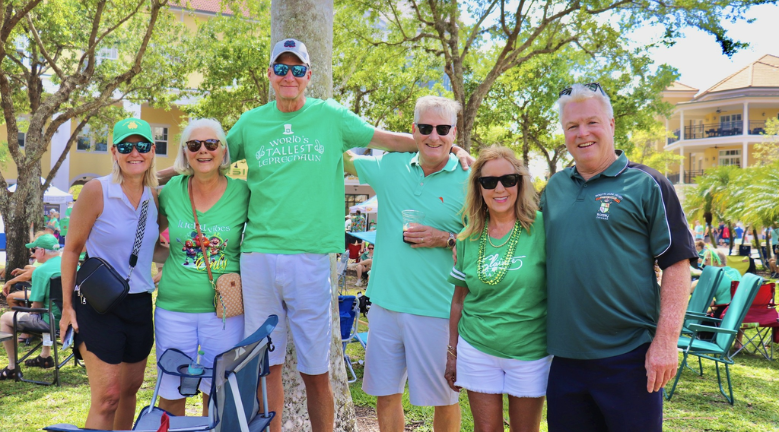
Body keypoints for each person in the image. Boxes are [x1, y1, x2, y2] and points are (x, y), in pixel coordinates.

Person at [154, 38, 472, 432]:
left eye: (297, 69)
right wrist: (147, 177)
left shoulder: (331, 117)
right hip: (258, 257)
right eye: (281, 68)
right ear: (270, 74)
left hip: (312, 257)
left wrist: (445, 146)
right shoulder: (251, 122)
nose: (289, 76)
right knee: (263, 367)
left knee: (316, 371)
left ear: (309, 75)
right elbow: (207, 156)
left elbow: (384, 138)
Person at [540, 83, 697, 432]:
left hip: (629, 358)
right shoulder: (554, 189)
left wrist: (666, 342)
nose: (582, 133)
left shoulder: (647, 184)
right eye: (572, 126)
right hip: (565, 360)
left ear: (611, 124)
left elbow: (677, 264)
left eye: (591, 122)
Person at [343, 95, 468, 432]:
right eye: (425, 128)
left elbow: (488, 240)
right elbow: (341, 152)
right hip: (384, 305)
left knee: (445, 399)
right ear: (413, 130)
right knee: (386, 395)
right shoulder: (390, 165)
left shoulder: (470, 179)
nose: (434, 136)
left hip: (437, 308)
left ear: (455, 132)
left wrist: (447, 238)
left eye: (443, 129)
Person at [59, 117, 159, 430]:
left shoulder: (155, 196)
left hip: (139, 304)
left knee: (129, 391)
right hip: (99, 305)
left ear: (152, 150)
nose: (135, 153)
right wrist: (66, 307)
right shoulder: (96, 190)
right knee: (107, 398)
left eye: (142, 146)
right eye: (126, 147)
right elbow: (71, 250)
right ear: (113, 152)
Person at [446, 146, 549, 432]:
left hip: (530, 350)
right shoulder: (467, 236)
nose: (499, 188)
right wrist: (452, 353)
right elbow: (459, 300)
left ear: (520, 183)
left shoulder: (543, 228)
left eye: (508, 180)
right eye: (489, 182)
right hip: (477, 349)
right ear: (479, 188)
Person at [152, 119, 249, 416]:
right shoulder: (171, 191)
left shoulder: (243, 192)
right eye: (194, 145)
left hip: (225, 313)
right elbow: (153, 243)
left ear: (224, 150)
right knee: (172, 392)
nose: (203, 150)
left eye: (211, 144)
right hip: (174, 310)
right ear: (185, 152)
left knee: (218, 394)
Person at [0, 234, 62, 379]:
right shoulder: (73, 266)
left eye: (34, 250)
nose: (33, 254)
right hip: (73, 321)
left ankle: (12, 367)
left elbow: (36, 306)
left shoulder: (41, 271)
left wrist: (25, 311)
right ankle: (45, 356)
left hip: (50, 322)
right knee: (48, 310)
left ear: (42, 251)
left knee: (5, 318)